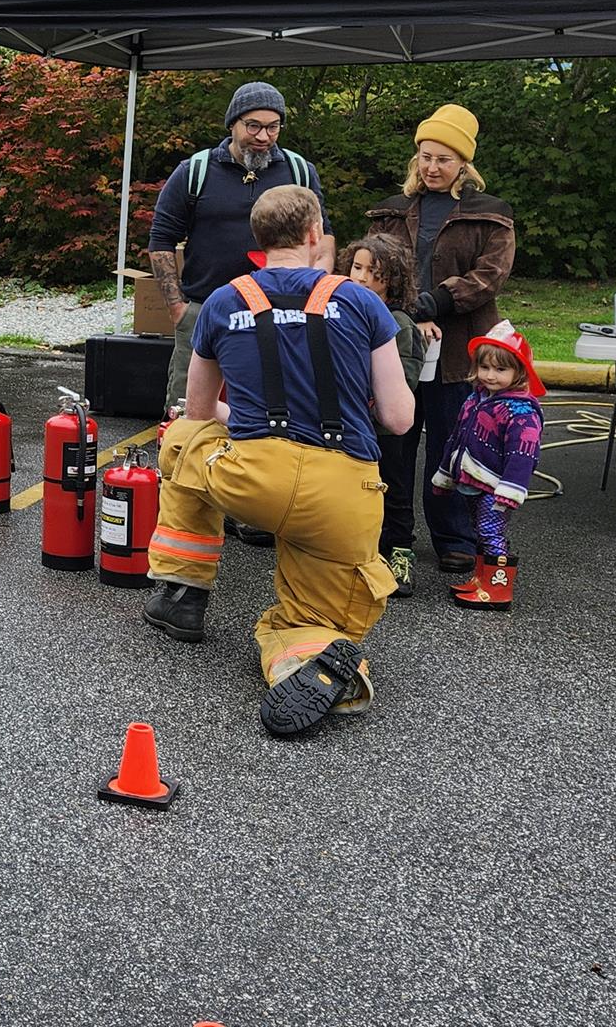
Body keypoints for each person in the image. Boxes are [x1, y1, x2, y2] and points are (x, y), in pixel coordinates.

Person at [141, 185, 413, 737]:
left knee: (183, 438)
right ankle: (310, 659)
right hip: (342, 493)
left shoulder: (221, 302)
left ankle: (183, 592)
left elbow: (197, 410)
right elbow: (399, 417)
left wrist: (249, 411)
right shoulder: (363, 303)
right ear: (316, 237)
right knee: (312, 617)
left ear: (257, 242)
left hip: (250, 481)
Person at [147, 80, 333, 545]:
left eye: (273, 127)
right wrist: (177, 307)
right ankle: (185, 502)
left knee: (267, 408)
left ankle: (253, 505)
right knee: (191, 412)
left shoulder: (297, 170)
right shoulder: (194, 172)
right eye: (254, 126)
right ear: (232, 124)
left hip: (278, 318)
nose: (264, 136)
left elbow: (324, 236)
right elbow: (161, 240)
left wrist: (318, 291)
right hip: (206, 311)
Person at [365, 104, 516, 577]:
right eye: (425, 156)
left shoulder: (492, 216)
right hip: (398, 342)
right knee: (394, 441)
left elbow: (488, 278)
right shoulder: (388, 212)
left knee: (454, 445)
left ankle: (454, 537)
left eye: (444, 159)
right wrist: (411, 313)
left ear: (464, 165)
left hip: (461, 350)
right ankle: (392, 535)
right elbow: (372, 268)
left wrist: (433, 305)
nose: (432, 167)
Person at [431, 322, 545, 609]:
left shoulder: (521, 411)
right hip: (473, 483)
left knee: (491, 532)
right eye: (485, 368)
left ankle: (498, 590)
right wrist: (445, 475)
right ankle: (482, 580)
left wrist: (511, 489)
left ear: (519, 371)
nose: (490, 376)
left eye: (500, 370)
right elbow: (456, 438)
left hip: (496, 488)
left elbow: (523, 454)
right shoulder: (476, 399)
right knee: (480, 531)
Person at [342, 233, 425, 595]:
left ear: (393, 279)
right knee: (353, 491)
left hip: (386, 429)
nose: (360, 277)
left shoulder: (400, 324)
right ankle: (361, 555)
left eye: (372, 271)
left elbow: (405, 378)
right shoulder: (342, 313)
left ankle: (401, 553)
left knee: (395, 489)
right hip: (351, 425)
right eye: (356, 267)